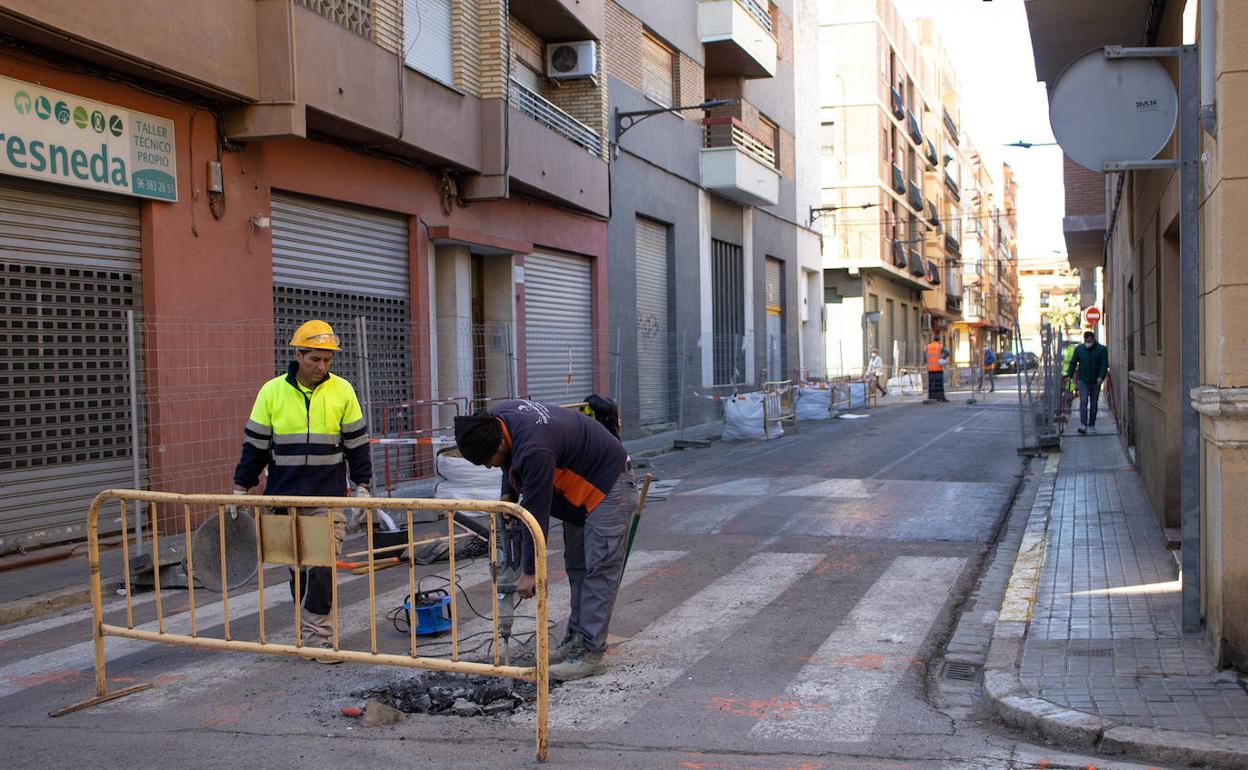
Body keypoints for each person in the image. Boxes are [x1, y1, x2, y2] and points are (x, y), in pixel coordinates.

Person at [454, 399, 635, 682]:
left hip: (609, 485)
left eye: (488, 461)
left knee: (598, 572)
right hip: (578, 491)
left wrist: (530, 572)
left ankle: (591, 655)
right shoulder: (499, 419)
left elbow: (535, 515)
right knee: (577, 566)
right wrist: (508, 494)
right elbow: (510, 462)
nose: (490, 467)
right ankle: (576, 640)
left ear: (498, 443)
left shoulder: (534, 449)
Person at [230, 319, 372, 661]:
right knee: (298, 568)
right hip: (284, 498)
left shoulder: (343, 391)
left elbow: (357, 443)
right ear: (298, 354)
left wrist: (363, 486)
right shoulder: (272, 392)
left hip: (327, 498)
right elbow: (256, 446)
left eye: (327, 360)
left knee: (321, 563)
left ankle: (319, 638)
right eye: (315, 360)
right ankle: (310, 629)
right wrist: (240, 488)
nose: (322, 367)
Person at [1065, 330, 1109, 434]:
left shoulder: (1101, 350)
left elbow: (1104, 365)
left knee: (1094, 404)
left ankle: (1092, 424)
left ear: (1093, 339)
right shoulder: (1080, 349)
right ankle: (1083, 425)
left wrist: (1101, 377)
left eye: (1089, 341)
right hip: (1083, 380)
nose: (1087, 343)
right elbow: (1073, 363)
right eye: (1085, 341)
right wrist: (1069, 375)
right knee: (1083, 401)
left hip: (1096, 381)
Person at [925, 335, 951, 403]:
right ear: (939, 340)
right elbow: (948, 353)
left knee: (932, 384)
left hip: (930, 369)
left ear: (933, 340)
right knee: (939, 384)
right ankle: (941, 398)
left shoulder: (928, 347)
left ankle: (932, 397)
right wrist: (942, 358)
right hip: (938, 368)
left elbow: (926, 357)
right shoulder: (940, 346)